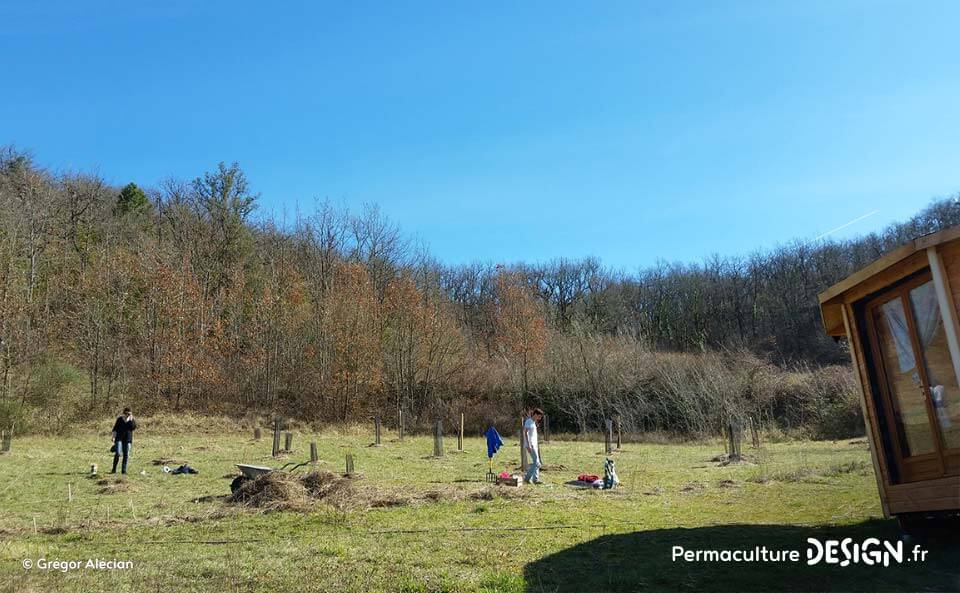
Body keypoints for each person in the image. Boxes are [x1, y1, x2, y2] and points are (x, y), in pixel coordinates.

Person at [111, 407, 137, 474]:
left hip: (128, 439)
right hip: (119, 438)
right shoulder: (119, 419)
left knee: (126, 455)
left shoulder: (132, 420)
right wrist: (113, 437)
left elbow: (133, 428)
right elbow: (115, 429)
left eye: (129, 414)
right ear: (123, 413)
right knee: (118, 453)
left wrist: (130, 420)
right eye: (126, 413)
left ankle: (123, 471)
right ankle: (114, 469)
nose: (127, 415)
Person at [523, 408, 544, 484]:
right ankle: (527, 478)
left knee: (537, 463)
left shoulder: (533, 422)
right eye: (539, 416)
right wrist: (528, 445)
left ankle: (535, 479)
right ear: (535, 414)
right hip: (530, 445)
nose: (540, 418)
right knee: (536, 462)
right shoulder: (529, 422)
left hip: (534, 445)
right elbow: (525, 433)